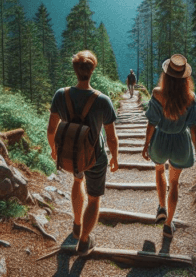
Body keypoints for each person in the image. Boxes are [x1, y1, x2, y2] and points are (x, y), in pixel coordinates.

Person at [47, 50, 119, 256]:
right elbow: (112, 137)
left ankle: (77, 225)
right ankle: (85, 241)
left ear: (75, 70)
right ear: (92, 70)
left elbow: (52, 129)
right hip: (95, 156)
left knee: (77, 182)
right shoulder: (103, 100)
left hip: (72, 154)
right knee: (94, 199)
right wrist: (115, 156)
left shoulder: (61, 95)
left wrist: (54, 149)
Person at [141, 54, 196, 238]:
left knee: (159, 171)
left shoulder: (157, 93)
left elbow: (151, 123)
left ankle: (161, 207)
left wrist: (146, 145)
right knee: (175, 182)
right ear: (186, 79)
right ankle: (168, 224)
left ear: (166, 76)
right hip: (181, 143)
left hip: (160, 140)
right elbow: (193, 128)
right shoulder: (190, 97)